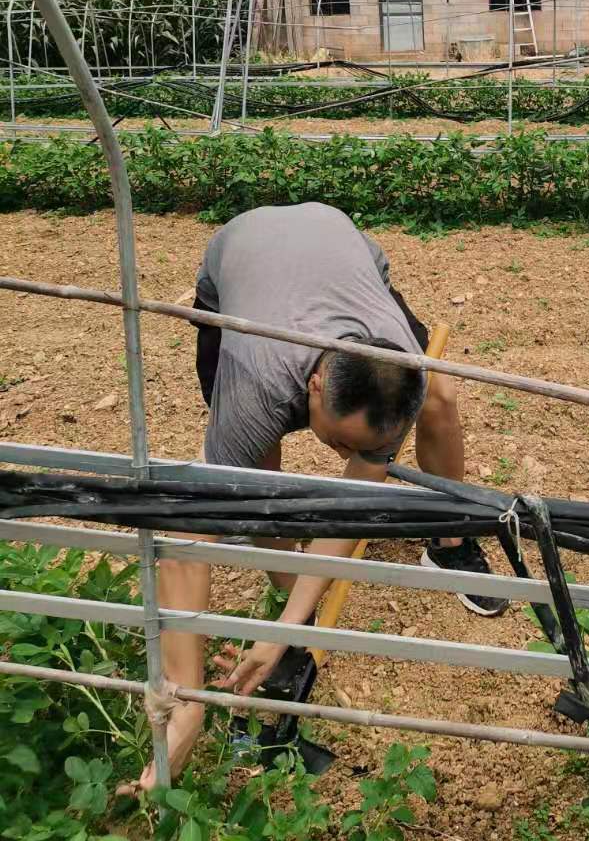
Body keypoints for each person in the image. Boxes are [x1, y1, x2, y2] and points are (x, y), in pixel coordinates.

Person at [130, 202, 506, 792]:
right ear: (313, 385)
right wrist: (187, 703)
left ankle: (448, 543)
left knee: (443, 398)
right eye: (341, 440)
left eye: (365, 447)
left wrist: (282, 629)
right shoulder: (257, 385)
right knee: (257, 476)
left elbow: (351, 505)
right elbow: (188, 535)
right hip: (241, 262)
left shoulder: (396, 370)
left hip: (335, 241)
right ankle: (288, 584)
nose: (345, 455)